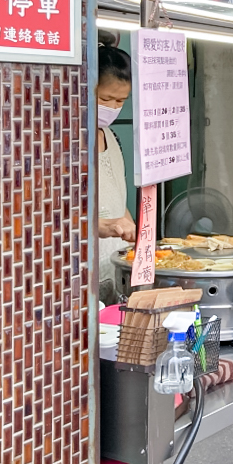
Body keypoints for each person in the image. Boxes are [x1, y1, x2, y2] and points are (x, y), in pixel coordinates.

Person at [97, 32, 137, 304]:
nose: (113, 108)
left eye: (121, 101)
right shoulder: (61, 143)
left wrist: (134, 232)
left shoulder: (112, 137)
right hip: (82, 270)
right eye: (106, 98)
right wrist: (97, 226)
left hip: (115, 266)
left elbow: (117, 198)